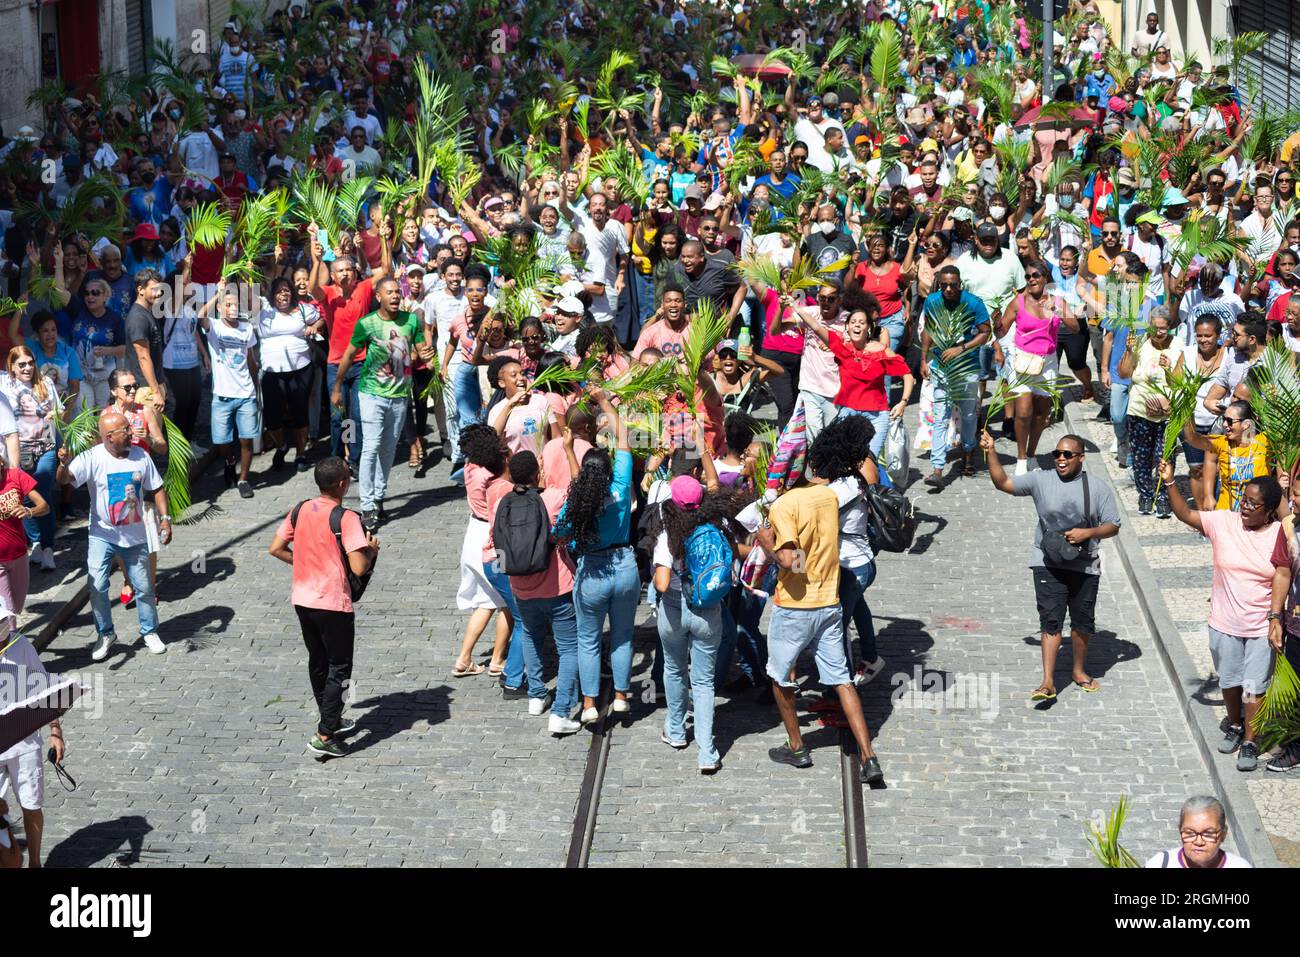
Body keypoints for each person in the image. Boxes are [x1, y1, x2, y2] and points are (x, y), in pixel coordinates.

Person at [754, 445, 885, 785]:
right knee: (842, 679)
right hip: (830, 602)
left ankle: (797, 746)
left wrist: (766, 541)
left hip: (796, 607)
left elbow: (791, 562)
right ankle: (868, 756)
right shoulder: (828, 497)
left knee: (781, 677)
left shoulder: (785, 505)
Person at [1157, 462, 1288, 772]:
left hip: (1259, 624)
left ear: (1269, 510)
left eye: (1254, 504)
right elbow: (1186, 515)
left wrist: (1275, 618)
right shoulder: (1224, 522)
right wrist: (1170, 483)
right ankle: (1234, 723)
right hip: (1224, 622)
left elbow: (1283, 572)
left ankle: (1251, 741)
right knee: (1229, 681)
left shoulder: (1279, 533)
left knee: (1254, 686)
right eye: (1244, 499)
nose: (1245, 507)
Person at [980, 431, 1121, 701]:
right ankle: (1047, 681)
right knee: (1051, 620)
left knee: (1082, 622)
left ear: (1081, 457)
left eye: (1067, 454)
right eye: (1057, 453)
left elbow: (1113, 525)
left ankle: (1078, 671)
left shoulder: (1098, 488)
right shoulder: (1041, 479)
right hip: (1046, 561)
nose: (1061, 458)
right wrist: (991, 452)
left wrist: (1087, 533)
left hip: (1085, 564)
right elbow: (1003, 483)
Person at [268, 456, 379, 759]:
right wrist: (371, 551)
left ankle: (330, 717)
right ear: (343, 484)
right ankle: (325, 734)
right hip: (333, 603)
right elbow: (357, 568)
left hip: (303, 599)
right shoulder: (346, 518)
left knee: (318, 661)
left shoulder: (301, 508)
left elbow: (275, 548)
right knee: (340, 667)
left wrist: (302, 564)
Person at [56, 411, 171, 660]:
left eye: (129, 428)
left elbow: (158, 488)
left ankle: (149, 631)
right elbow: (65, 480)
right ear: (109, 437)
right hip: (102, 535)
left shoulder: (141, 456)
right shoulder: (91, 457)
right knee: (96, 586)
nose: (131, 433)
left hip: (135, 537)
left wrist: (165, 519)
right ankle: (106, 633)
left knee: (144, 588)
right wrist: (63, 464)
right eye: (125, 430)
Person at [554, 387, 638, 724]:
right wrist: (604, 402)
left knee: (588, 640)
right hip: (626, 568)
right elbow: (624, 443)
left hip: (592, 574)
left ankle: (589, 704)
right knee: (622, 637)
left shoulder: (578, 504)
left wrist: (568, 450)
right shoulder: (619, 488)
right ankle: (620, 696)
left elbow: (560, 534)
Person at [332, 277, 425, 530]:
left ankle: (379, 496)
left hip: (399, 395)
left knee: (388, 449)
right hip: (371, 394)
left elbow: (419, 349)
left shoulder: (411, 320)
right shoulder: (368, 323)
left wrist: (422, 354)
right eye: (389, 292)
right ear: (378, 297)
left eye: (398, 292)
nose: (395, 296)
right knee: (371, 447)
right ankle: (367, 506)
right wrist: (338, 387)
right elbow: (349, 354)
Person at [794, 292, 912, 457]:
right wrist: (794, 306)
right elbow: (816, 326)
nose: (857, 325)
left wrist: (903, 403)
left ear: (868, 328)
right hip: (848, 414)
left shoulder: (881, 350)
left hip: (877, 416)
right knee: (846, 460)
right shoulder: (842, 349)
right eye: (853, 322)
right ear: (847, 327)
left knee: (870, 460)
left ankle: (873, 483)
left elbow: (907, 375)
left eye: (862, 322)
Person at [997, 263, 1080, 473]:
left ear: (1045, 278)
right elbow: (1001, 331)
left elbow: (1076, 328)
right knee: (1023, 412)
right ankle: (1021, 458)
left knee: (1041, 413)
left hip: (1048, 362)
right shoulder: (1018, 302)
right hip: (1023, 361)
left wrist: (1059, 311)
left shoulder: (1057, 302)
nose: (1031, 279)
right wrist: (995, 321)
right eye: (1027, 277)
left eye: (1035, 275)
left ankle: (1032, 454)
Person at [0, 616, 66, 867]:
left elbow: (44, 689)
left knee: (31, 804)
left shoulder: (22, 646)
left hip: (25, 745)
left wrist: (55, 731)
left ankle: (36, 864)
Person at [919, 265, 991, 485]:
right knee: (940, 418)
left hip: (966, 368)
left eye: (953, 285)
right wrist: (923, 359)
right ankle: (938, 468)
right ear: (939, 284)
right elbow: (928, 330)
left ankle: (968, 454)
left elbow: (986, 332)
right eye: (944, 285)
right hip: (941, 367)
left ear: (960, 284)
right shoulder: (932, 301)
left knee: (969, 416)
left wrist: (962, 348)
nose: (949, 289)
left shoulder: (973, 302)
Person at [1117, 306, 1182, 517]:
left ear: (1169, 328)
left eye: (1163, 329)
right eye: (1155, 328)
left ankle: (1163, 496)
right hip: (1139, 410)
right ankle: (1145, 494)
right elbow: (1124, 373)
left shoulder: (1177, 346)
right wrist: (1129, 351)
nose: (1158, 333)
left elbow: (1179, 382)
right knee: (1141, 457)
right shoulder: (1140, 343)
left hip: (1166, 413)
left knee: (1163, 456)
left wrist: (1168, 369)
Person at [197, 283, 260, 499]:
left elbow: (251, 361)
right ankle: (230, 461)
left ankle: (243, 479)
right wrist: (217, 294)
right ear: (221, 308)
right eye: (228, 305)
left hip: (246, 394)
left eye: (236, 305)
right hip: (222, 395)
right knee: (221, 441)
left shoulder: (247, 329)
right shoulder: (214, 327)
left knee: (246, 439)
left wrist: (257, 390)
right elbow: (199, 316)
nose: (233, 308)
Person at [1, 347, 62, 572]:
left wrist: (52, 415)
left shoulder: (45, 382)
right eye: (22, 364)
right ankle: (35, 541)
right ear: (12, 367)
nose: (27, 368)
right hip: (19, 450)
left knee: (42, 492)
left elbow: (60, 411)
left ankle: (47, 547)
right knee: (24, 497)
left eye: (30, 362)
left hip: (45, 446)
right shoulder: (5, 384)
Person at [258, 277, 321, 472]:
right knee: (272, 417)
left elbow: (320, 318)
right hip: (271, 372)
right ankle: (281, 446)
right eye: (278, 291)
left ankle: (301, 454)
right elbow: (247, 297)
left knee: (300, 413)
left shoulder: (302, 309)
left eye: (286, 290)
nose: (283, 294)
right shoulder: (262, 309)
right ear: (272, 294)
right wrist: (248, 274)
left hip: (301, 369)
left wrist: (314, 327)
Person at [1181, 400, 1270, 512]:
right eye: (1224, 419)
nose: (1224, 424)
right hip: (1226, 513)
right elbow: (1192, 439)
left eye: (1229, 421)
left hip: (1258, 514)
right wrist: (1187, 413)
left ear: (1246, 424)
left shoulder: (1264, 442)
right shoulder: (1223, 443)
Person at [1145, 796, 1250, 868]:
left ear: (1223, 834)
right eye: (1190, 833)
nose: (1199, 842)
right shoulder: (1160, 864)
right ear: (1180, 831)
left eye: (1208, 834)